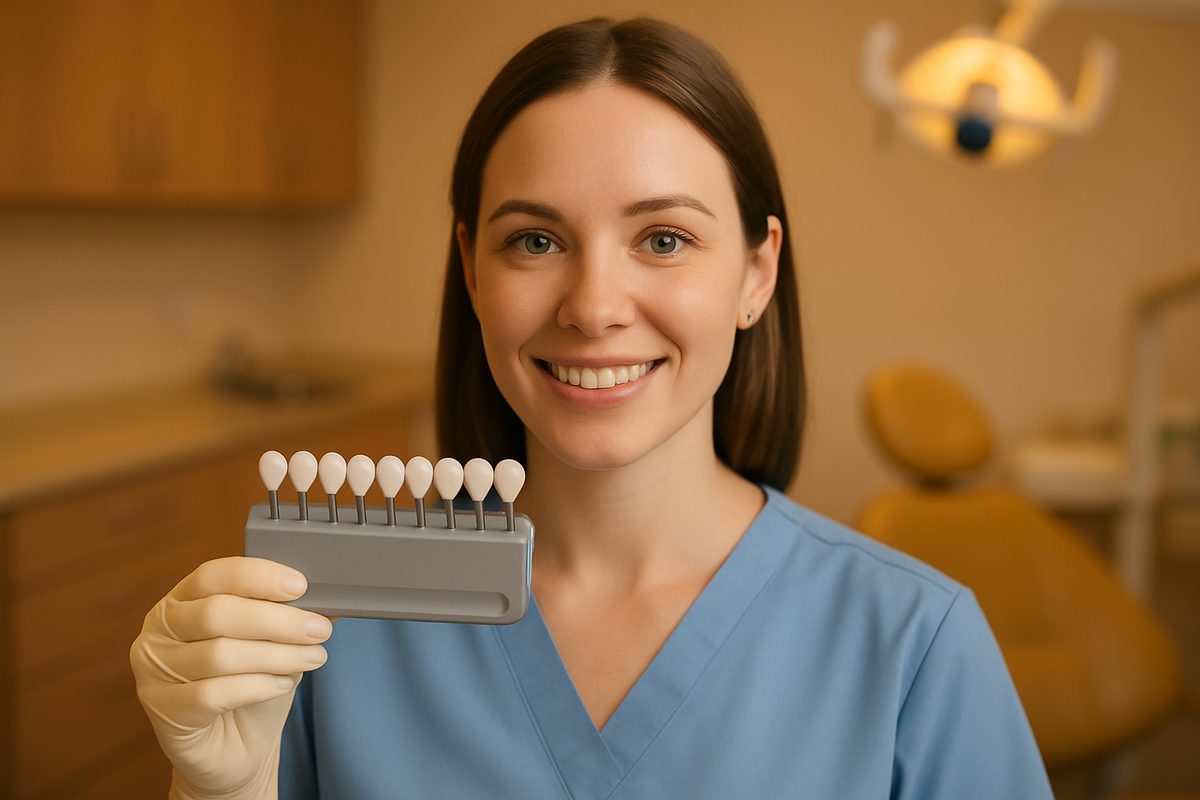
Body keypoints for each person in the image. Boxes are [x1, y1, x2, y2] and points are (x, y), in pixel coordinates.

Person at [130, 17, 1053, 800]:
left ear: (757, 272)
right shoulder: (334, 629)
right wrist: (220, 792)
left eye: (663, 238)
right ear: (471, 269)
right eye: (535, 240)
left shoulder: (912, 648)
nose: (594, 305)